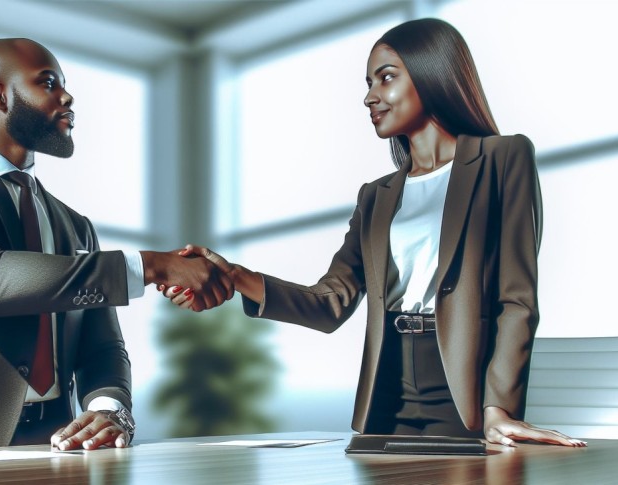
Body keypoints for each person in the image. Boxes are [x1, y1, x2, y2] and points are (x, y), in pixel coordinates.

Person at [161, 18, 586, 447]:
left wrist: (500, 409)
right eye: (369, 83)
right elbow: (329, 303)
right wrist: (234, 277)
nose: (370, 97)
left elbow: (516, 300)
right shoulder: (376, 197)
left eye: (386, 78)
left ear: (431, 73)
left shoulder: (503, 158)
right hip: (387, 395)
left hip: (464, 394)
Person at [0, 38, 232, 453]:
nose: (68, 96)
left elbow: (102, 346)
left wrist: (109, 409)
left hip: (54, 447)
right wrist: (151, 266)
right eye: (49, 83)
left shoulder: (76, 227)